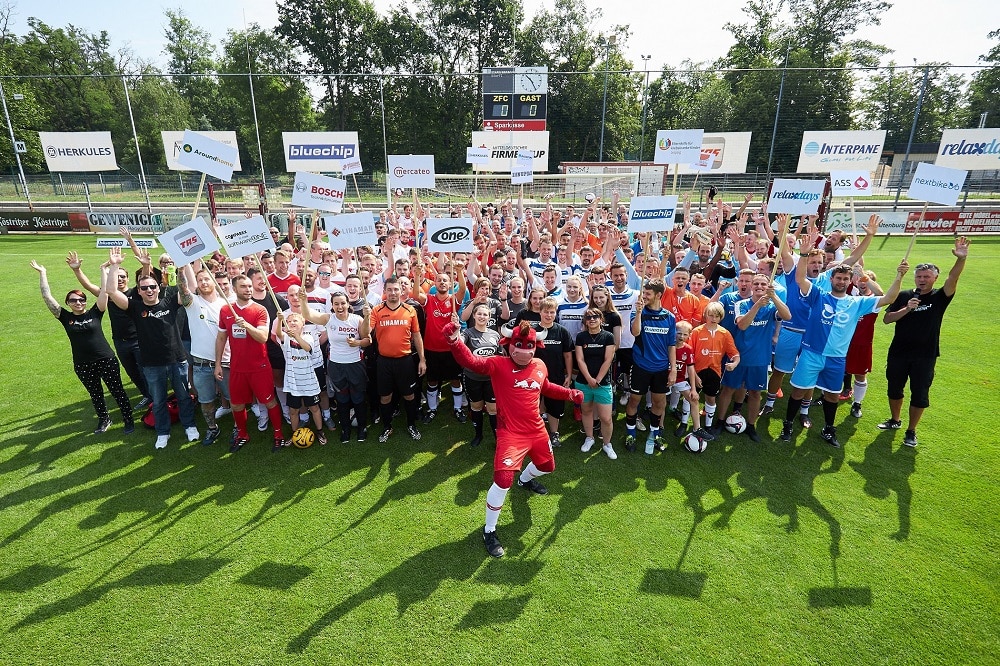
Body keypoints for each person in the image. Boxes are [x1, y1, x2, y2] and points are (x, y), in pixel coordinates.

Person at [443, 320, 583, 558]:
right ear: (509, 344)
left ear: (536, 346)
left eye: (528, 345)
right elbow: (471, 362)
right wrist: (455, 341)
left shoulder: (539, 364)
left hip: (537, 430)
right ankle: (489, 530)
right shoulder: (498, 364)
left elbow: (545, 387)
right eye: (518, 344)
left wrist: (570, 394)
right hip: (510, 433)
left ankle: (526, 481)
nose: (523, 350)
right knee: (503, 479)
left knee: (547, 467)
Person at [779, 260, 909, 447]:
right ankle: (788, 425)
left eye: (845, 279)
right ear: (831, 278)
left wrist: (899, 276)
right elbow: (800, 279)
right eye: (838, 278)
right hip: (811, 354)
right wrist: (805, 255)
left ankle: (829, 429)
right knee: (799, 391)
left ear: (850, 282)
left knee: (832, 396)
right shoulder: (819, 296)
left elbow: (888, 298)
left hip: (836, 358)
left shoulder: (857, 302)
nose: (841, 281)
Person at [879, 237, 969, 448]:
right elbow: (887, 319)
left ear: (935, 278)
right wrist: (907, 308)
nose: (922, 279)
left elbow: (953, 279)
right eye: (919, 276)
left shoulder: (940, 296)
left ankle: (911, 431)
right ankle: (895, 420)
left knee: (919, 394)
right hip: (899, 352)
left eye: (926, 276)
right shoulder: (904, 296)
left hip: (925, 355)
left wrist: (961, 260)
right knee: (894, 388)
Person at [106, 250, 198, 449]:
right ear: (138, 291)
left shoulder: (170, 302)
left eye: (152, 287)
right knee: (158, 401)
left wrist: (183, 265)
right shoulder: (135, 308)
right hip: (152, 364)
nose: (149, 290)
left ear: (158, 287)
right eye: (144, 288)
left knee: (183, 396)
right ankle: (163, 432)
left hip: (177, 360)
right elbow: (112, 292)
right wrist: (114, 266)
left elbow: (190, 289)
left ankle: (189, 426)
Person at [31, 260, 134, 434]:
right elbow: (47, 297)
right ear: (68, 303)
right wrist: (43, 273)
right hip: (82, 364)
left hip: (106, 360)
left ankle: (128, 419)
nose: (78, 302)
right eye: (73, 300)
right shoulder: (65, 317)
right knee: (96, 395)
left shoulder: (96, 312)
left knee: (117, 391)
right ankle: (104, 419)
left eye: (81, 299)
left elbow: (105, 293)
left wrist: (103, 270)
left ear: (86, 302)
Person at [66, 251, 150, 408]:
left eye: (122, 276)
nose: (119, 279)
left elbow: (145, 279)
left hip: (139, 340)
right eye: (116, 276)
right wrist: (76, 270)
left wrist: (145, 265)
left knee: (145, 371)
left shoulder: (136, 293)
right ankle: (146, 395)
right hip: (120, 341)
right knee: (132, 373)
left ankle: (154, 398)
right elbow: (88, 286)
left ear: (128, 279)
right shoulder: (109, 295)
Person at [216, 274, 287, 453]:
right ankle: (242, 434)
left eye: (249, 286)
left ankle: (278, 435)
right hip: (237, 367)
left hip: (259, 367)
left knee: (269, 401)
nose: (248, 290)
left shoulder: (259, 310)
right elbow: (221, 337)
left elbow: (263, 337)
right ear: (234, 289)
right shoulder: (226, 310)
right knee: (237, 405)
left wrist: (246, 325)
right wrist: (217, 363)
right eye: (243, 287)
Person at [714, 275, 791, 442]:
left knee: (755, 393)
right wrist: (756, 305)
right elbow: (742, 324)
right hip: (738, 357)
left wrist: (774, 296)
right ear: (751, 286)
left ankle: (750, 425)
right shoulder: (741, 304)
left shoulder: (771, 307)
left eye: (763, 284)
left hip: (760, 359)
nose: (759, 286)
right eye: (756, 283)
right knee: (728, 389)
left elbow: (787, 316)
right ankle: (719, 422)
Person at [302, 290, 371, 443]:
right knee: (342, 398)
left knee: (358, 397)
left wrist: (359, 341)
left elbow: (367, 337)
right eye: (336, 304)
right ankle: (345, 429)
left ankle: (362, 428)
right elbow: (308, 315)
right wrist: (303, 300)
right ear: (332, 306)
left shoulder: (357, 319)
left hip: (355, 364)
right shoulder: (329, 319)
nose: (340, 307)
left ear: (348, 304)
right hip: (336, 365)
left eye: (342, 303)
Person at [179, 262, 231, 447]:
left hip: (226, 362)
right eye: (199, 280)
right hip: (201, 365)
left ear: (215, 282)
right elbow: (184, 290)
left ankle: (238, 427)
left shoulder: (226, 304)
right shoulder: (192, 303)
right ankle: (212, 428)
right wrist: (180, 270)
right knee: (206, 401)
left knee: (233, 397)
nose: (203, 282)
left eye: (207, 279)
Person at [623, 279, 677, 455]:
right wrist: (638, 313)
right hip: (640, 366)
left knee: (659, 402)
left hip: (661, 368)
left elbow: (672, 345)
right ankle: (630, 432)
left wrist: (673, 369)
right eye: (643, 293)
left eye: (647, 294)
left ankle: (655, 432)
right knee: (634, 400)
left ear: (658, 295)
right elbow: (635, 332)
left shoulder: (669, 317)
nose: (644, 296)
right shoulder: (638, 312)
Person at [370, 276, 426, 443]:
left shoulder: (410, 310)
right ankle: (387, 427)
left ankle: (411, 424)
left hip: (405, 360)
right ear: (385, 291)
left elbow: (417, 335)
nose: (393, 292)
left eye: (396, 289)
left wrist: (422, 359)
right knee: (385, 397)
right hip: (384, 362)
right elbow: (366, 332)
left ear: (401, 291)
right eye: (390, 290)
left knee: (409, 395)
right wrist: (366, 318)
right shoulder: (376, 310)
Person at [276, 312, 326, 446]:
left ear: (303, 323)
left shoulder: (308, 337)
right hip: (292, 383)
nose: (292, 323)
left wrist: (296, 336)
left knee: (314, 407)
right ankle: (294, 433)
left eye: (296, 321)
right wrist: (280, 320)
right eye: (289, 321)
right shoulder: (285, 338)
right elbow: (279, 335)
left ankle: (320, 431)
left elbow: (307, 348)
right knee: (293, 410)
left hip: (309, 381)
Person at [575, 308, 618, 459]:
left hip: (603, 383)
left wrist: (597, 379)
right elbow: (579, 359)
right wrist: (589, 379)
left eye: (595, 317)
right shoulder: (581, 337)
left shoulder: (608, 336)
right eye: (588, 317)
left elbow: (608, 359)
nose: (591, 319)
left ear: (601, 319)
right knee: (586, 411)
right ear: (585, 321)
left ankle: (607, 444)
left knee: (606, 418)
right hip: (583, 382)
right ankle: (589, 438)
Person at [462, 303, 502, 447]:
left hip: (491, 379)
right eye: (479, 314)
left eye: (485, 314)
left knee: (493, 409)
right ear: (474, 315)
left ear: (489, 317)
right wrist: (455, 332)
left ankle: (498, 438)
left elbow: (501, 356)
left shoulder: (495, 335)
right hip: (472, 377)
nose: (482, 317)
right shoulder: (467, 333)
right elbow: (459, 344)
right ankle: (478, 435)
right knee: (476, 406)